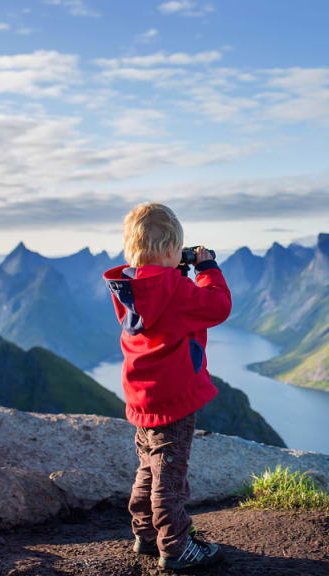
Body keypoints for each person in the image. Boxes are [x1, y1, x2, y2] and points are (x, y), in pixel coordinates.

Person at [103, 202, 231, 572]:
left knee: (149, 466)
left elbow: (159, 297)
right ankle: (176, 547)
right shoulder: (176, 290)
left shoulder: (130, 289)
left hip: (143, 397)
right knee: (170, 479)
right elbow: (218, 306)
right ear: (169, 251)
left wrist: (172, 268)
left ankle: (145, 533)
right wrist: (207, 268)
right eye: (178, 249)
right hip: (174, 401)